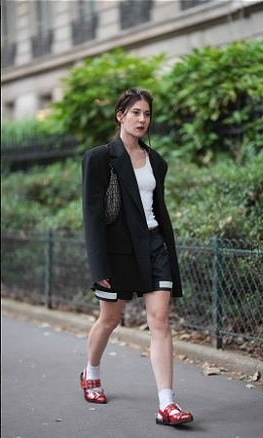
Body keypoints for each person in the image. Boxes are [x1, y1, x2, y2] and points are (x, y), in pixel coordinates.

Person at [80, 89, 193, 426]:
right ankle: (91, 372)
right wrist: (99, 266)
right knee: (110, 319)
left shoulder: (156, 161)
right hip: (117, 253)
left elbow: (158, 209)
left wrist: (169, 254)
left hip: (154, 245)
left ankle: (166, 404)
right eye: (135, 113)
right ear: (120, 115)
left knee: (160, 321)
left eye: (146, 114)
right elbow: (92, 215)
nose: (142, 119)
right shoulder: (99, 158)